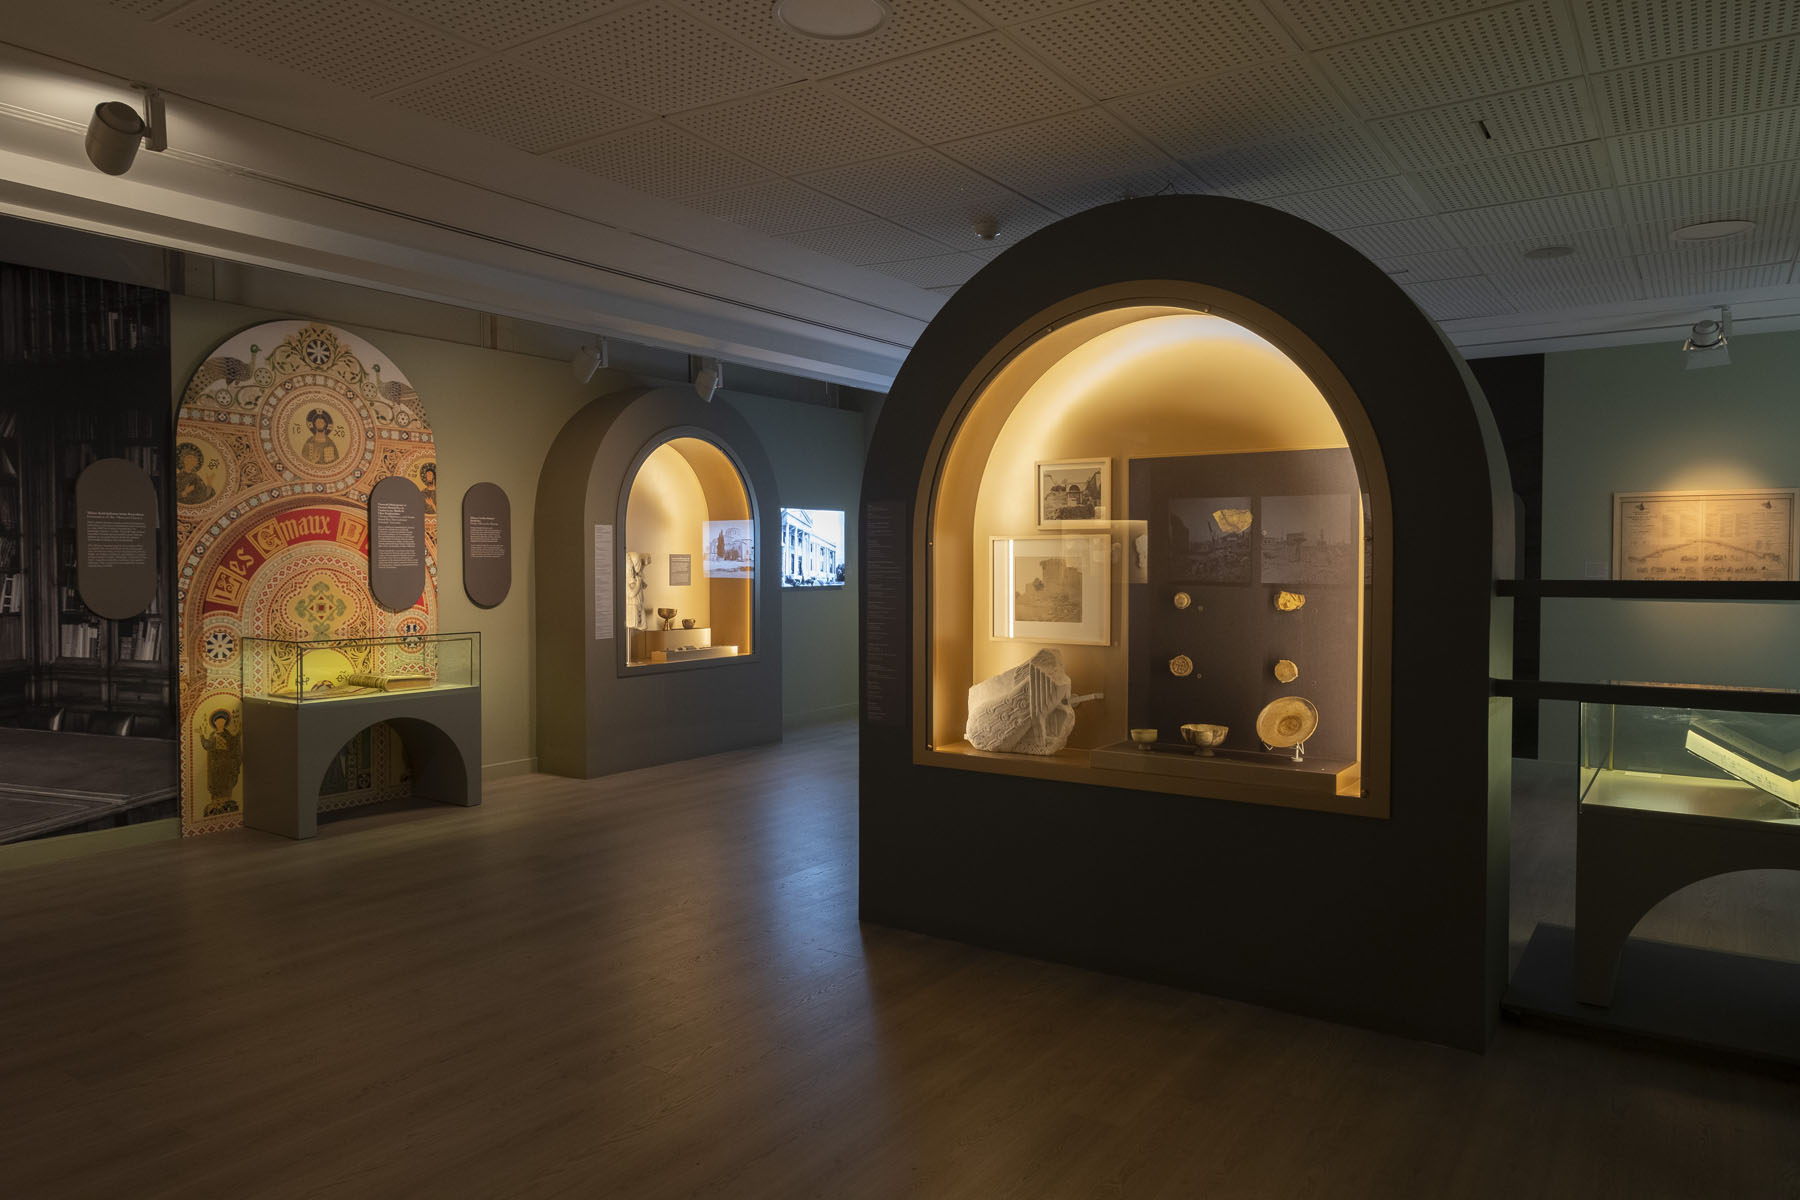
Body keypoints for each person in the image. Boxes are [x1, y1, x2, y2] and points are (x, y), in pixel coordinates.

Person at [200, 708, 241, 816]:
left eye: (222, 722)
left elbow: (233, 744)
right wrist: (202, 736)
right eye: (218, 722)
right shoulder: (213, 735)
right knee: (216, 784)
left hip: (226, 765)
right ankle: (216, 805)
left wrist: (238, 732)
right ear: (214, 723)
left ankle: (226, 803)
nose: (220, 723)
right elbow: (208, 746)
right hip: (215, 765)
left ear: (225, 723)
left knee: (226, 783)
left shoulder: (228, 735)